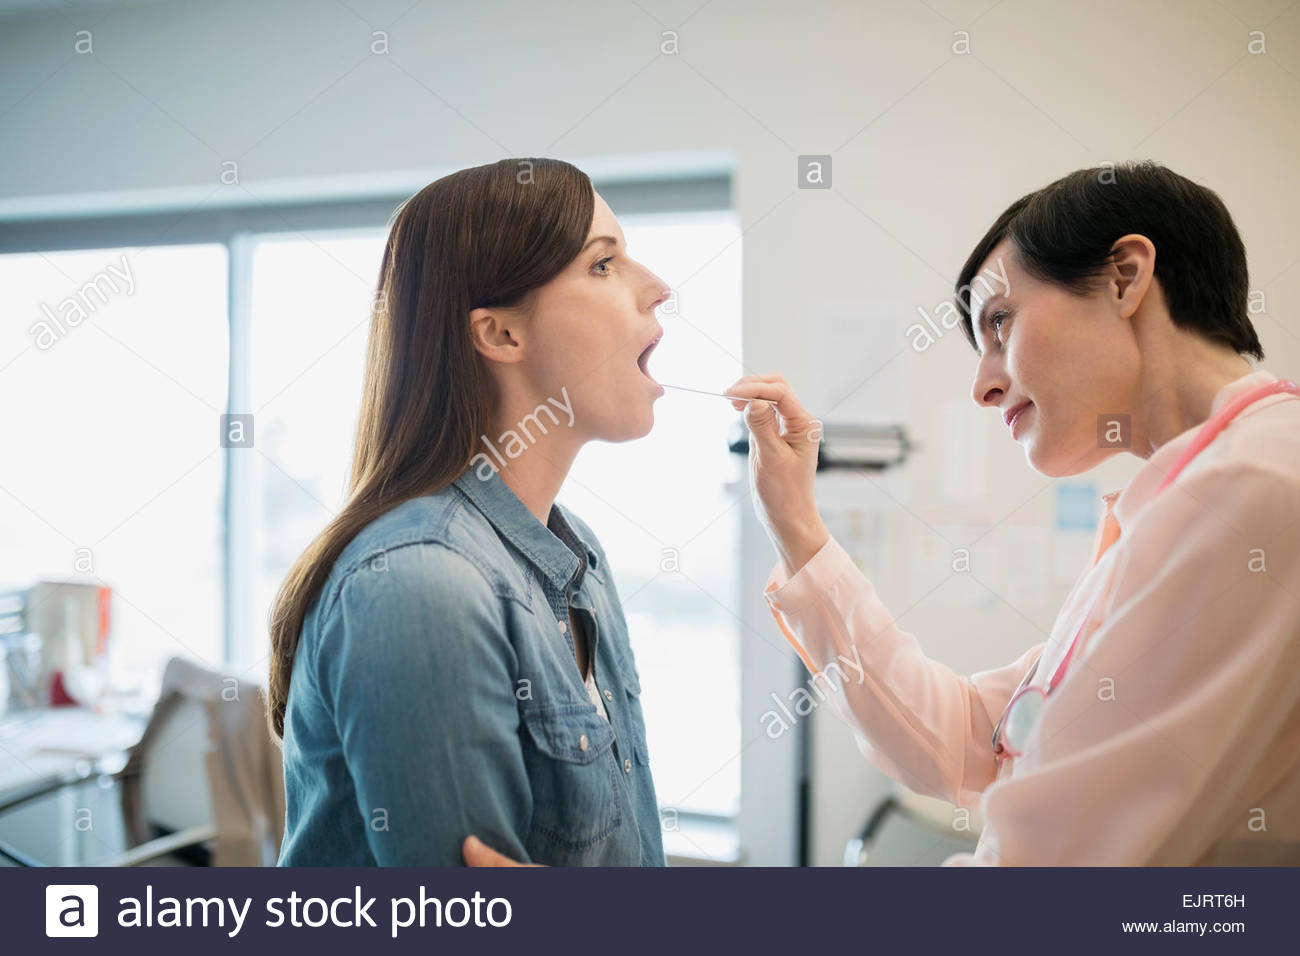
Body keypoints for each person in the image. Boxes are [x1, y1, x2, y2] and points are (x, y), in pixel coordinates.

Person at [722, 161, 1300, 865]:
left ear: (1125, 276)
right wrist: (797, 528)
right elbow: (968, 736)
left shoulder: (1254, 487)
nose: (982, 387)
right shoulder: (1191, 496)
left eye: (1000, 323)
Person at [271, 158, 671, 866]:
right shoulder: (421, 584)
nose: (657, 289)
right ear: (501, 335)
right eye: (604, 264)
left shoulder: (580, 559)